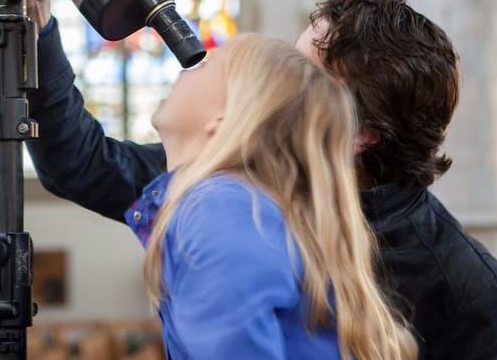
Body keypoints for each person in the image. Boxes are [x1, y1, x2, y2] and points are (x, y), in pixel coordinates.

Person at [0, 0, 497, 359]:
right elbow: (79, 162)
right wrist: (35, 17)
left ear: (359, 133)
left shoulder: (471, 292)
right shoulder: (236, 174)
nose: (264, 80)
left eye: (297, 75)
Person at [137, 32, 416, 358]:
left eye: (210, 64)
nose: (188, 66)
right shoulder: (245, 206)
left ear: (226, 117)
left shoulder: (220, 208)